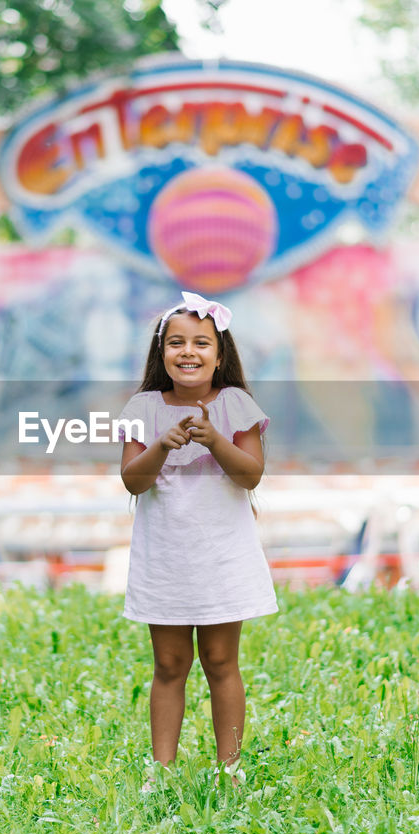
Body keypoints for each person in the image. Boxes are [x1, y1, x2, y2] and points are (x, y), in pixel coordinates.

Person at [116, 291, 276, 790]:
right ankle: (161, 770)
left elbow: (250, 475)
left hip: (222, 558)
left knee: (222, 661)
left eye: (201, 343)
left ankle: (230, 769)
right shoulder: (143, 408)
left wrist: (215, 440)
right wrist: (162, 444)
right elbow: (132, 481)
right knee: (169, 664)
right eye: (177, 342)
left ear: (219, 354)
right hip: (165, 559)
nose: (189, 352)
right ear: (161, 352)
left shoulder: (235, 405)